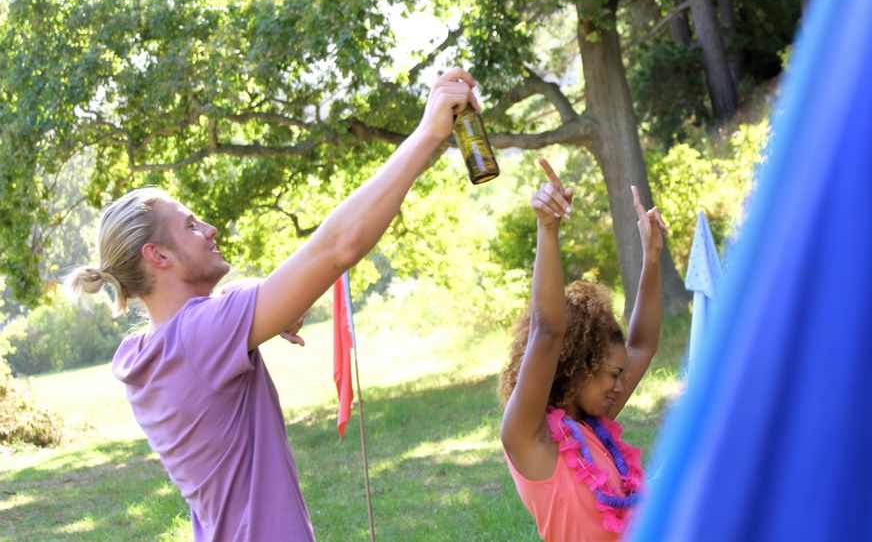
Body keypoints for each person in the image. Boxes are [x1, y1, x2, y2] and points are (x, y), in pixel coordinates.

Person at [64, 68, 481, 541]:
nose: (210, 231)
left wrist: (269, 307)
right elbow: (336, 247)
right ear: (157, 256)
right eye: (191, 226)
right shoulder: (205, 334)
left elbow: (214, 317)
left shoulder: (141, 354)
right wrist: (427, 134)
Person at [498, 158, 668, 541]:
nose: (620, 387)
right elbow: (547, 332)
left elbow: (642, 344)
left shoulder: (592, 423)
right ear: (575, 368)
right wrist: (548, 228)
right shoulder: (530, 438)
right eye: (612, 374)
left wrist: (652, 257)